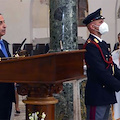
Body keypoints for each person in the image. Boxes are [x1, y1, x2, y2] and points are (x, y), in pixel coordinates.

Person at [83, 8, 120, 120]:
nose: (103, 24)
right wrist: (117, 85)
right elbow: (100, 71)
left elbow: (111, 66)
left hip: (106, 93)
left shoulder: (102, 44)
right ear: (92, 27)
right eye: (100, 22)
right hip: (97, 94)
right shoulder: (91, 45)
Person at [0, 13, 15, 119]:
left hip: (7, 95)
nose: (4, 25)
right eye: (0, 23)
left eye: (4, 22)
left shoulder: (5, 44)